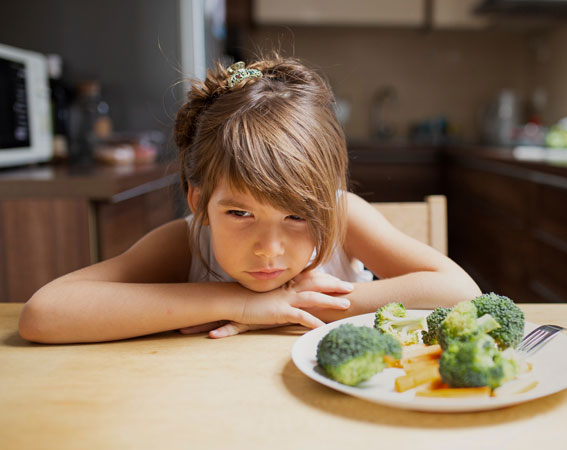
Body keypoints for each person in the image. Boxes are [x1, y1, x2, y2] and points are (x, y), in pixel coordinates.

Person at [18, 55, 481, 344]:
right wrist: (235, 302)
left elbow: (461, 292)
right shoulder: (187, 242)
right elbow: (44, 313)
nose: (269, 249)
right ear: (198, 201)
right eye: (240, 213)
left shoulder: (343, 215)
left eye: (298, 215)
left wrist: (301, 302)